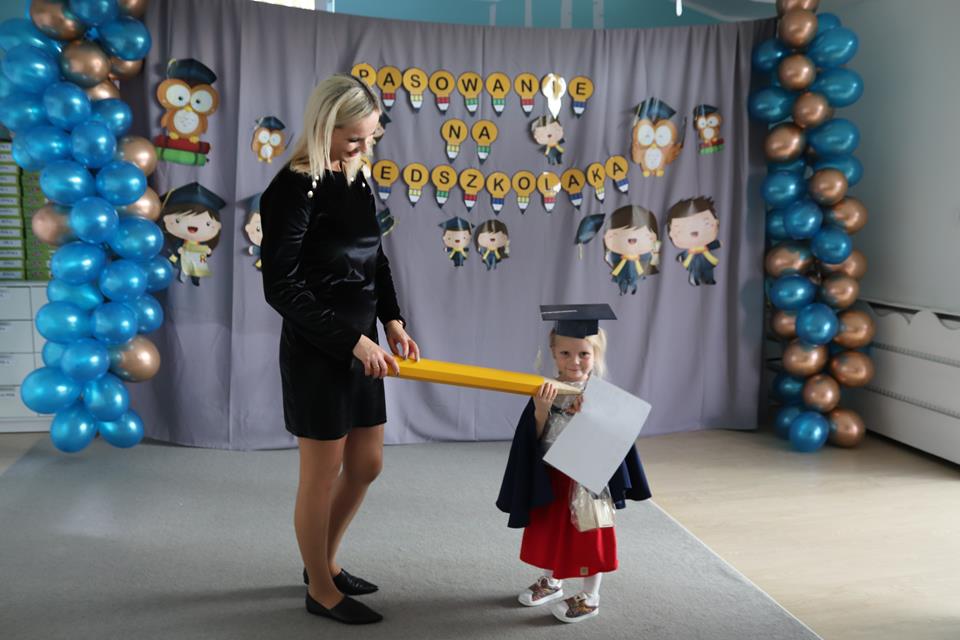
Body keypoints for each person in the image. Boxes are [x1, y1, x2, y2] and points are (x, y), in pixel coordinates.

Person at [259, 74, 419, 625]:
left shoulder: (356, 178)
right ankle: (321, 589)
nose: (364, 147)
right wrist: (352, 341)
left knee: (367, 464)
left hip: (364, 346)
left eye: (370, 136)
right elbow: (281, 286)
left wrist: (392, 320)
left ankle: (322, 563)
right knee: (321, 473)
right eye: (355, 138)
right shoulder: (290, 189)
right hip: (319, 349)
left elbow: (375, 259)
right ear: (325, 127)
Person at [496, 304, 651, 623]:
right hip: (553, 478)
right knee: (551, 532)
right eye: (565, 353)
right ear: (553, 353)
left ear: (596, 355)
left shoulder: (602, 396)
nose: (574, 361)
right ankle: (552, 582)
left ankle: (590, 596)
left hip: (589, 482)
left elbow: (614, 442)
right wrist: (541, 411)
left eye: (583, 354)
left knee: (589, 536)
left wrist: (591, 414)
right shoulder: (546, 390)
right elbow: (532, 441)